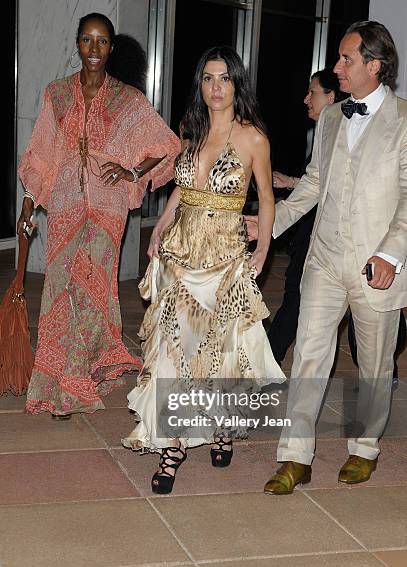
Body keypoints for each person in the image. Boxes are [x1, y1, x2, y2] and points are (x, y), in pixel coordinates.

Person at [247, 21, 407, 493]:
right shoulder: (334, 117)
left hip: (377, 265)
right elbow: (314, 183)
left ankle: (365, 447)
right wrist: (270, 223)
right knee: (310, 355)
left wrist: (391, 254)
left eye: (346, 59)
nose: (336, 67)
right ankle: (295, 455)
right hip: (325, 258)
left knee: (375, 364)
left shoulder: (405, 121)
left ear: (374, 66)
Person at [122, 46, 284, 494]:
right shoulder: (190, 133)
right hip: (181, 252)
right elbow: (181, 191)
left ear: (237, 84)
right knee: (176, 347)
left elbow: (266, 199)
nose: (216, 87)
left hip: (225, 255)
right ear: (201, 84)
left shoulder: (253, 137)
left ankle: (220, 426)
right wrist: (157, 232)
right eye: (208, 78)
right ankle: (172, 446)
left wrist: (264, 250)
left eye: (224, 78)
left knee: (219, 348)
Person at [17, 13, 180, 417]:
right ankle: (71, 370)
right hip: (66, 205)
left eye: (102, 41)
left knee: (88, 290)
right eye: (87, 40)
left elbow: (167, 144)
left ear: (111, 48)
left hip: (107, 210)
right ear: (77, 44)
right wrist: (28, 203)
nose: (94, 49)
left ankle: (70, 384)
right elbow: (41, 155)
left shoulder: (129, 99)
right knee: (60, 288)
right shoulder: (56, 94)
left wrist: (132, 171)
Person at [265, 69, 343, 365]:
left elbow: (329, 186)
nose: (306, 98)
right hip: (307, 231)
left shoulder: (341, 130)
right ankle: (268, 363)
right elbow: (315, 182)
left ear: (331, 97)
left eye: (313, 93)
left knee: (298, 300)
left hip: (324, 233)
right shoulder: (325, 129)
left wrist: (289, 183)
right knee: (295, 299)